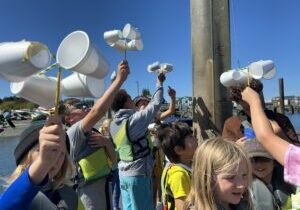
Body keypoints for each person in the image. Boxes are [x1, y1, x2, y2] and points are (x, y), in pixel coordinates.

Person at [64, 60, 129, 210]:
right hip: (87, 194)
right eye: (78, 107)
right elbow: (97, 111)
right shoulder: (73, 132)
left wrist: (106, 143)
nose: (84, 108)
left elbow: (113, 162)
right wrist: (119, 80)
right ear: (69, 119)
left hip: (104, 187)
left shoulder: (94, 133)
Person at [0, 116, 83, 210]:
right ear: (24, 158)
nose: (53, 158)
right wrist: (42, 164)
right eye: (43, 151)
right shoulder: (11, 196)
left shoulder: (70, 196)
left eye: (60, 153)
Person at [109, 72, 166, 210]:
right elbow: (156, 103)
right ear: (126, 103)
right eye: (130, 99)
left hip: (123, 174)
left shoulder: (113, 124)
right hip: (138, 175)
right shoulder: (133, 121)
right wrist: (159, 82)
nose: (133, 101)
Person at [241, 87, 300, 186]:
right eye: (246, 108)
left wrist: (254, 102)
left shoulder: (280, 119)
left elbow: (265, 137)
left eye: (250, 107)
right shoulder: (233, 122)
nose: (250, 112)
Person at [134, 86, 176, 208]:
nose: (145, 104)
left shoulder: (154, 116)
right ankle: (152, 204)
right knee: (148, 185)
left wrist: (172, 97)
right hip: (143, 156)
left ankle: (158, 202)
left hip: (157, 153)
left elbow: (170, 111)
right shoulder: (134, 120)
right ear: (136, 106)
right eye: (141, 103)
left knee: (158, 181)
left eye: (147, 102)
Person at [222, 79, 298, 145]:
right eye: (245, 95)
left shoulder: (281, 119)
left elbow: (296, 151)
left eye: (255, 93)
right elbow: (223, 155)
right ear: (237, 100)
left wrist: (280, 134)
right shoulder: (230, 123)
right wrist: (236, 147)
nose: (251, 98)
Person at [184, 138, 253, 210]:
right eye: (230, 177)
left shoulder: (242, 205)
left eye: (244, 175)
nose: (241, 185)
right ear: (207, 178)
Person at [244, 139, 295, 210]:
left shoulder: (290, 182)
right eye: (253, 160)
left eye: (264, 159)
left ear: (274, 162)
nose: (259, 165)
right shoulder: (243, 189)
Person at [156, 122, 197, 210]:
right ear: (179, 150)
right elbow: (182, 207)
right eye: (190, 136)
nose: (195, 138)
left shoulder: (173, 167)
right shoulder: (179, 175)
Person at [99, 118, 121, 210]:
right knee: (111, 189)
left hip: (115, 167)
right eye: (109, 127)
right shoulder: (104, 138)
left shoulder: (114, 137)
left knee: (117, 188)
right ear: (105, 128)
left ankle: (115, 206)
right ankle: (112, 206)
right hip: (109, 168)